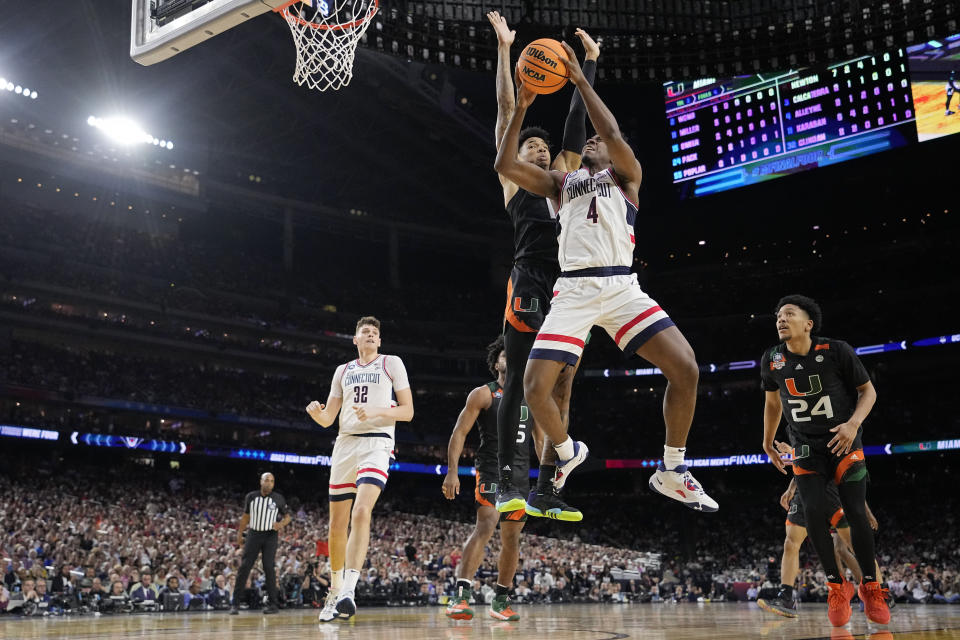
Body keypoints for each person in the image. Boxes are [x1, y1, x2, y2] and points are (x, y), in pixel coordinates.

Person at [493, 36, 717, 513]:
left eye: (599, 142)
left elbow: (608, 129)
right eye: (587, 141)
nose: (591, 140)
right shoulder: (561, 182)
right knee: (534, 388)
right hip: (572, 291)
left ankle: (673, 470)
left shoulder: (628, 178)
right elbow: (504, 163)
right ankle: (568, 451)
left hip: (620, 288)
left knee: (686, 368)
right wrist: (523, 107)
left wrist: (582, 76)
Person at [485, 11, 599, 517]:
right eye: (529, 145)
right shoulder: (514, 179)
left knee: (562, 390)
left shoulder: (564, 177)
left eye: (542, 146)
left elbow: (576, 122)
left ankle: (548, 489)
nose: (538, 149)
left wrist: (588, 66)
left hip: (570, 288)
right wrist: (507, 51)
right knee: (517, 385)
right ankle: (506, 482)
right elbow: (508, 106)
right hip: (529, 278)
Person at [761, 294, 889, 627]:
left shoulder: (836, 351)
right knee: (812, 518)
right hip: (805, 448)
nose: (780, 319)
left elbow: (868, 391)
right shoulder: (772, 359)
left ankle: (872, 587)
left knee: (856, 514)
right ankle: (836, 585)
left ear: (809, 323)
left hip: (843, 442)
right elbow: (773, 404)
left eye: (789, 314)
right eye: (778, 315)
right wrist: (766, 441)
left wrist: (853, 424)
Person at [306, 315, 414, 621]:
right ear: (355, 340)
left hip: (377, 443)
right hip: (345, 444)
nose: (370, 334)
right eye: (364, 331)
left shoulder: (391, 363)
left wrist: (377, 410)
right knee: (336, 526)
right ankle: (335, 590)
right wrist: (317, 413)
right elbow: (329, 418)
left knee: (362, 512)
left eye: (374, 332)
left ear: (379, 341)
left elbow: (407, 411)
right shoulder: (343, 371)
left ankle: (349, 590)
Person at [442, 336, 543, 621]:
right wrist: (452, 471)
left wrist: (549, 475)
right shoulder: (483, 394)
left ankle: (501, 600)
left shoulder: (532, 398)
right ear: (496, 362)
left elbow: (540, 441)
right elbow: (459, 433)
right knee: (486, 523)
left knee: (512, 538)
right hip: (491, 471)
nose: (510, 359)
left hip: (521, 476)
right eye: (504, 355)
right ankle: (461, 596)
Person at [758, 473, 877, 617]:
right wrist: (791, 489)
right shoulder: (803, 454)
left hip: (835, 493)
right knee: (794, 543)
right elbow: (801, 464)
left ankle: (871, 591)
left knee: (844, 548)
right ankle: (835, 591)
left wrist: (867, 513)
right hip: (807, 493)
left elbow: (852, 477)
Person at [229, 472, 291, 615]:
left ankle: (273, 605)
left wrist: (280, 524)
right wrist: (240, 534)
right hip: (254, 534)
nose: (269, 483)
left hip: (270, 535)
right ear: (261, 482)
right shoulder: (251, 497)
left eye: (272, 481)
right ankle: (235, 604)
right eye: (266, 480)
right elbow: (245, 517)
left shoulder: (278, 498)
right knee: (245, 567)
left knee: (269, 568)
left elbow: (288, 517)